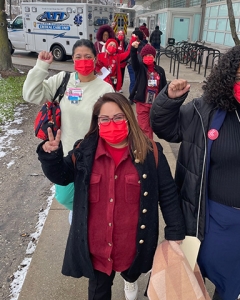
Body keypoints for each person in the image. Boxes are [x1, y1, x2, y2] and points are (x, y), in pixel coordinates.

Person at [150, 44, 240, 300]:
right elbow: (167, 129)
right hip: (209, 219)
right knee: (194, 274)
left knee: (232, 285)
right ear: (228, 78)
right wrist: (169, 100)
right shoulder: (205, 110)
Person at [36, 92, 185, 300]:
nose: (111, 123)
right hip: (97, 251)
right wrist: (50, 156)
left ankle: (130, 278)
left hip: (133, 247)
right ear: (97, 122)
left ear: (128, 118)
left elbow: (167, 194)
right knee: (98, 293)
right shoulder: (84, 150)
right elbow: (62, 176)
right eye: (104, 119)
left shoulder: (151, 152)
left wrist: (175, 232)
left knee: (131, 272)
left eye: (117, 117)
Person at [23, 39, 114, 211]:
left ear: (95, 59)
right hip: (67, 157)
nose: (83, 60)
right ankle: (80, 216)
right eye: (78, 56)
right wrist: (41, 67)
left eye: (88, 56)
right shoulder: (63, 80)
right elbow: (30, 95)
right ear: (72, 59)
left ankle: (84, 225)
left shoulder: (106, 89)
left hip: (94, 157)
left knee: (94, 199)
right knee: (65, 198)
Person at [130, 43, 167, 139]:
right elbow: (134, 61)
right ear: (142, 57)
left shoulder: (160, 70)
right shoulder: (140, 69)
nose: (148, 57)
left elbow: (164, 87)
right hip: (143, 105)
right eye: (145, 56)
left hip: (156, 105)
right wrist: (133, 50)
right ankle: (147, 148)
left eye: (150, 55)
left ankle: (149, 145)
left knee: (153, 128)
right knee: (144, 128)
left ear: (154, 57)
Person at [127, 30, 146, 98]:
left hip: (140, 66)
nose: (132, 37)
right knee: (133, 81)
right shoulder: (130, 44)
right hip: (131, 65)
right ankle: (132, 97)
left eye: (133, 36)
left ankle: (138, 94)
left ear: (137, 37)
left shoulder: (144, 46)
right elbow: (127, 54)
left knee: (139, 81)